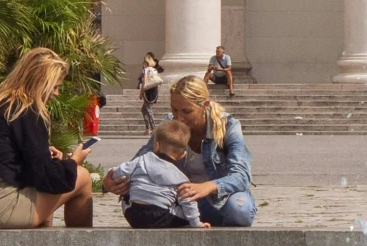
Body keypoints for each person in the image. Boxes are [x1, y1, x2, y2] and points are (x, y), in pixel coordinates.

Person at [0, 47, 94, 229]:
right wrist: (73, 162)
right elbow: (47, 177)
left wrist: (42, 153)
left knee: (37, 191)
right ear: (42, 83)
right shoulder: (27, 110)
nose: (56, 93)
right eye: (55, 86)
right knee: (83, 177)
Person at [106, 74, 257, 227]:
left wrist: (207, 186)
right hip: (180, 201)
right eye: (174, 110)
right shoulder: (170, 124)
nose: (179, 118)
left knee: (240, 210)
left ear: (204, 104)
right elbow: (142, 158)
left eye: (187, 111)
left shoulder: (228, 126)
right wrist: (112, 182)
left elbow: (242, 175)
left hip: (218, 200)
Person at [110, 121, 202, 228]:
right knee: (184, 204)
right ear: (183, 154)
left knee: (126, 197)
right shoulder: (180, 177)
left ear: (156, 146)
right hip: (161, 217)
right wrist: (197, 224)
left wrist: (112, 175)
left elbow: (119, 171)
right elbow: (188, 201)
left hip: (134, 215)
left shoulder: (141, 160)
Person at [137, 53, 163, 120]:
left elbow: (144, 81)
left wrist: (141, 92)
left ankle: (152, 127)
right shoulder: (154, 70)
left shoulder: (146, 70)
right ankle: (148, 127)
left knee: (148, 110)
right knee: (144, 109)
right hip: (154, 91)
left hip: (148, 91)